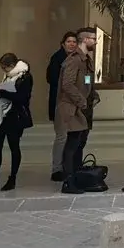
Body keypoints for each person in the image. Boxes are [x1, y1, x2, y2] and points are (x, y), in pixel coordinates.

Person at [0, 53, 33, 192]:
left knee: (14, 146)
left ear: (12, 66)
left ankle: (12, 178)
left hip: (15, 116)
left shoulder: (25, 76)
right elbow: (5, 92)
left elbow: (22, 97)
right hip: (2, 116)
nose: (3, 71)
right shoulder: (9, 76)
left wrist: (0, 92)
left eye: (4, 68)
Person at [57, 28, 96, 195]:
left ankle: (77, 177)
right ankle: (68, 181)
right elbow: (67, 84)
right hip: (72, 107)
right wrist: (81, 101)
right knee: (72, 143)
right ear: (85, 39)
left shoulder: (86, 60)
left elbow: (86, 81)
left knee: (79, 142)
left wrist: (91, 95)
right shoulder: (74, 60)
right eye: (93, 38)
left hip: (82, 106)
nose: (95, 41)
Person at [47, 32, 77, 182]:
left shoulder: (78, 59)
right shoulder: (57, 59)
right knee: (61, 136)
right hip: (60, 102)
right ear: (63, 43)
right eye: (69, 41)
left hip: (73, 104)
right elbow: (51, 79)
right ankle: (57, 168)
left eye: (74, 41)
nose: (71, 44)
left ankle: (68, 166)